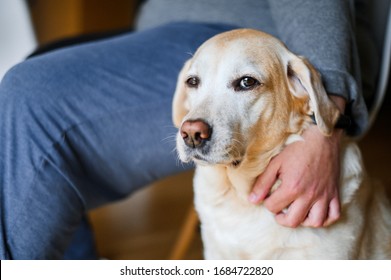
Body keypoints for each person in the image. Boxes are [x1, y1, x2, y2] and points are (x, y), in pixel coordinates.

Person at [0, 0, 374, 259]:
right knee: (39, 64)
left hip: (250, 28)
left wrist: (327, 112)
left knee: (29, 99)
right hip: (165, 28)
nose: (190, 128)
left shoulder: (290, 73)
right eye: (192, 86)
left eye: (245, 84)